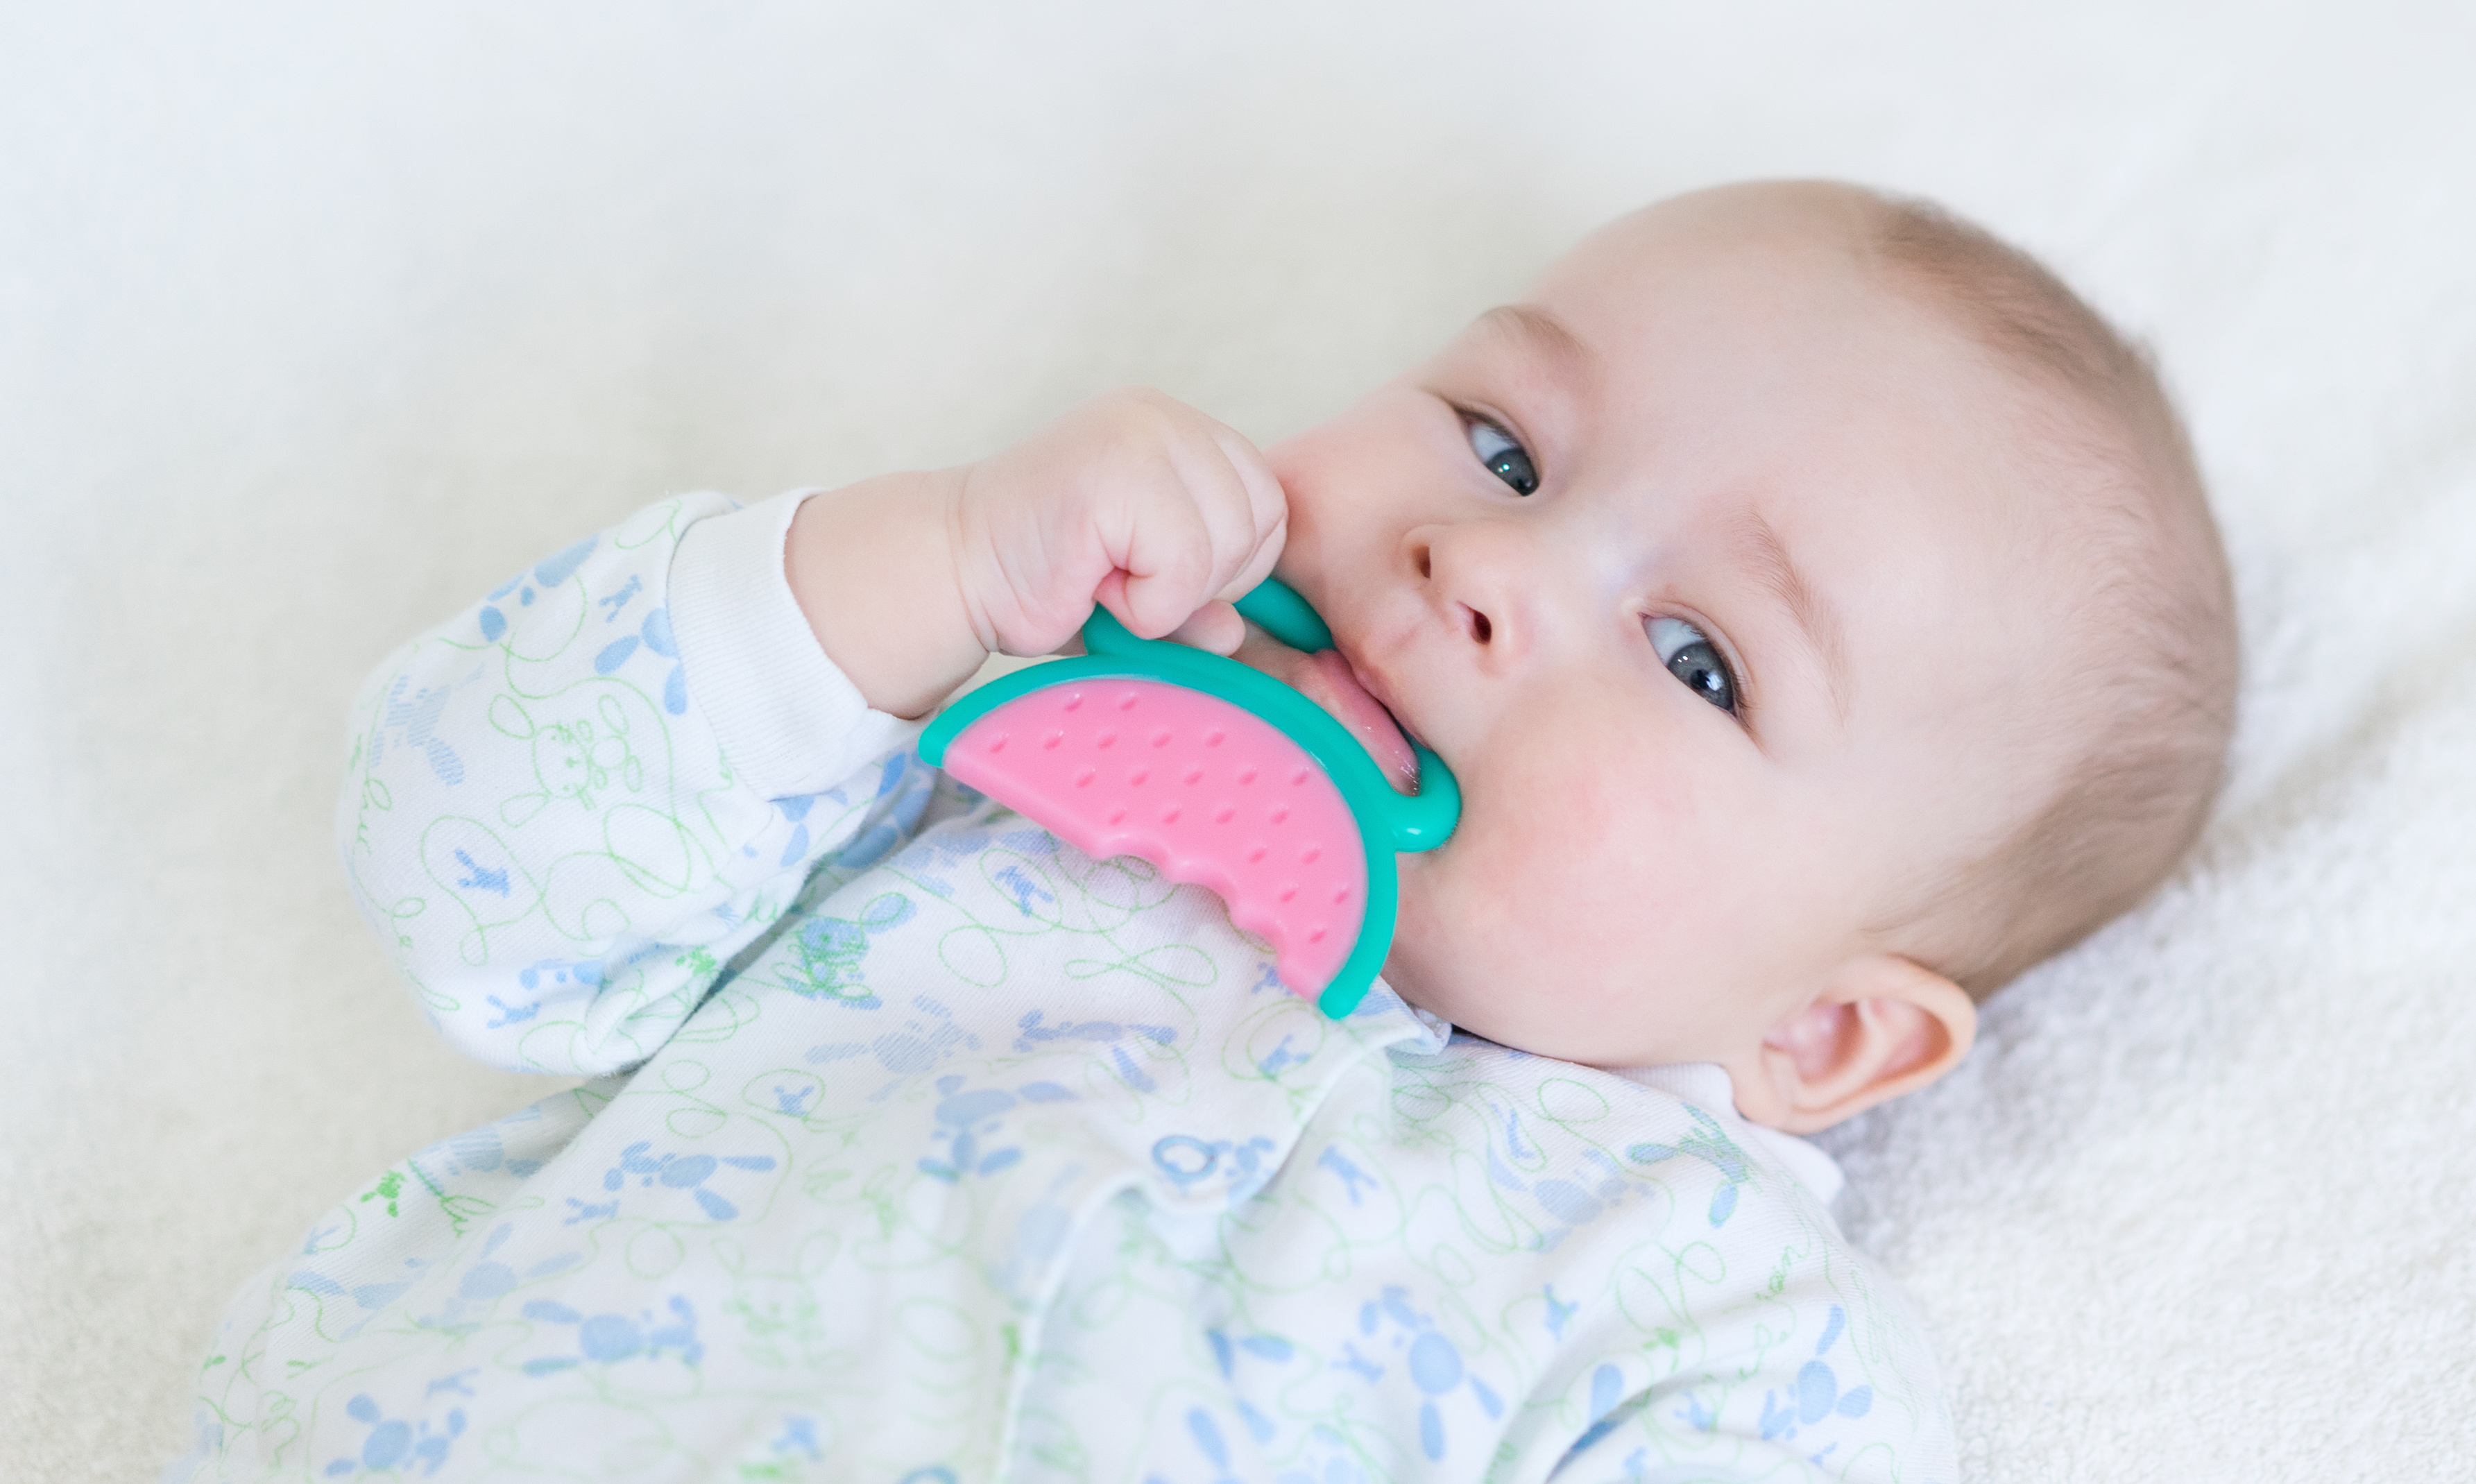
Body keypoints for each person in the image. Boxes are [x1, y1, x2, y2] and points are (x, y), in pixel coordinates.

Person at [170, 180, 2236, 1482]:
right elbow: (472, 863)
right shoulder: (1006, 756)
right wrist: (934, 569)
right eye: (1503, 441)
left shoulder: (1706, 1321)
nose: (1480, 563)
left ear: (1826, 1038)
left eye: (1699, 659)